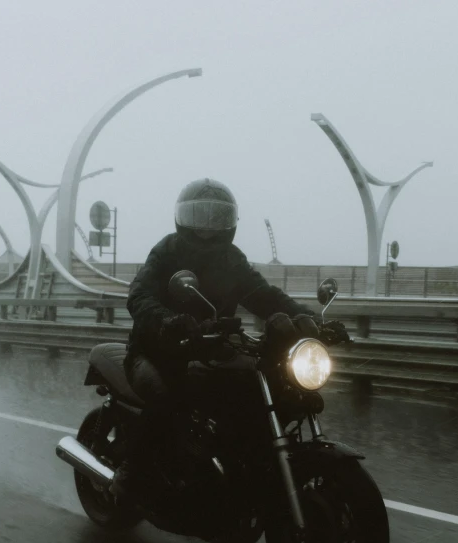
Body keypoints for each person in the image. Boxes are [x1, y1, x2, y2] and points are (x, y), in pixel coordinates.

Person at [111, 178, 349, 499]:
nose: (207, 228)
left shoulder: (232, 260)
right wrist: (169, 321)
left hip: (211, 349)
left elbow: (266, 296)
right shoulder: (167, 252)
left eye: (217, 217)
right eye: (200, 216)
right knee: (167, 398)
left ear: (230, 222)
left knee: (258, 388)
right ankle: (130, 475)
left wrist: (309, 321)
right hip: (157, 351)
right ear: (183, 219)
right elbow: (139, 295)